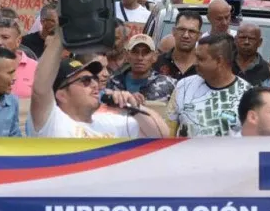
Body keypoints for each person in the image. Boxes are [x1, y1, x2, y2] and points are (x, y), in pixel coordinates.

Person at [29, 34, 170, 138]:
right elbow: (40, 89)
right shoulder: (52, 121)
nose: (95, 84)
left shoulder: (110, 121)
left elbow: (161, 135)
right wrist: (61, 34)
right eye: (85, 81)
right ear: (62, 95)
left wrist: (132, 108)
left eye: (94, 79)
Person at [165, 34, 251, 137]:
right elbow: (168, 131)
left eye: (200, 59)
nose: (194, 63)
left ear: (219, 61)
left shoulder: (248, 95)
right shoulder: (183, 86)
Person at [108, 35, 175, 102]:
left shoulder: (168, 84)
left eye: (146, 53)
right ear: (127, 55)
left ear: (154, 56)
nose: (140, 58)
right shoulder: (112, 82)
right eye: (135, 52)